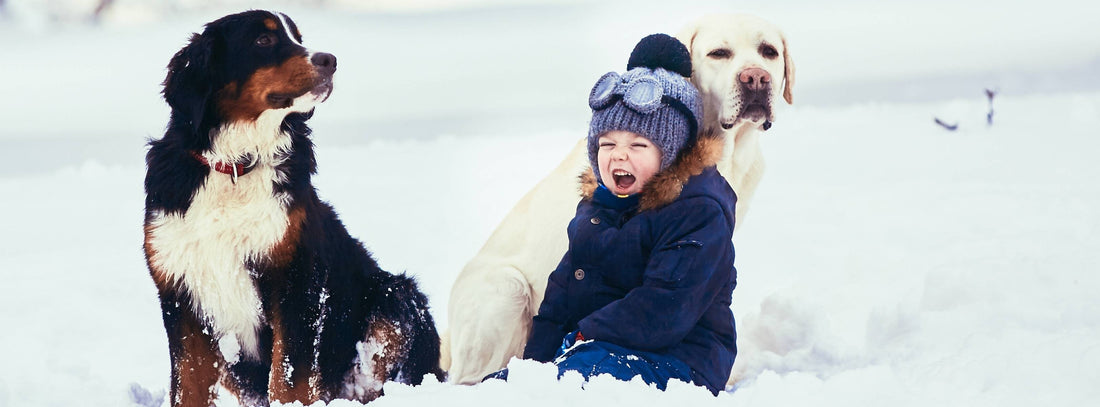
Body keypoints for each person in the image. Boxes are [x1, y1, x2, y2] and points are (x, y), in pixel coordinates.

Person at [519, 33, 738, 395]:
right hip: (599, 348)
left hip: (682, 361)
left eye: (638, 145)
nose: (619, 156)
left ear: (671, 151)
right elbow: (561, 294)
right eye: (607, 145)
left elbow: (664, 309)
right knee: (522, 384)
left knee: (575, 378)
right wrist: (533, 365)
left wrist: (583, 334)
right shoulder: (599, 207)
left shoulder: (698, 212)